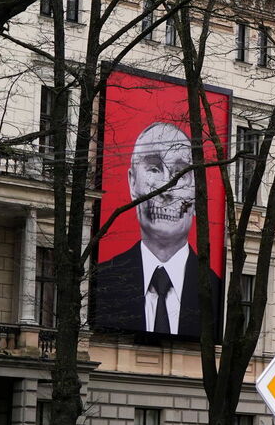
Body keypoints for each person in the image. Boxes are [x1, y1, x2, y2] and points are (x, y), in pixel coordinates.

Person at [92, 122, 221, 337]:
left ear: (197, 193)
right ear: (132, 183)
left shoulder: (216, 292)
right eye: (153, 169)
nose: (167, 189)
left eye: (181, 173)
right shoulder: (102, 281)